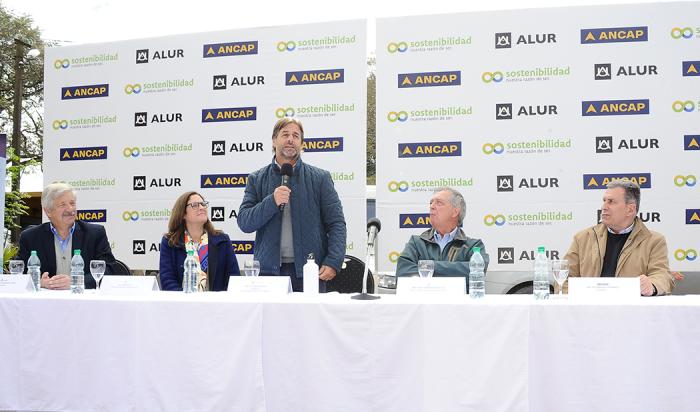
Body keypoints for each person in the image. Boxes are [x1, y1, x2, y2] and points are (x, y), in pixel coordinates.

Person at [237, 117, 346, 292]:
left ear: (301, 143)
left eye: (296, 136)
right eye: (285, 134)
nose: (290, 139)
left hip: (309, 272)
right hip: (268, 273)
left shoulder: (320, 178)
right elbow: (245, 222)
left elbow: (336, 223)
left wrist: (333, 261)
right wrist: (272, 202)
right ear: (274, 141)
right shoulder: (256, 179)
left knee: (309, 320)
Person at [563, 180, 674, 295]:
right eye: (604, 201)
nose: (603, 207)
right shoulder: (583, 238)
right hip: (589, 309)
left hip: (631, 310)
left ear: (630, 209)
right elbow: (564, 277)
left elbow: (662, 276)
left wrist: (652, 285)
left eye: (611, 202)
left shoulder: (654, 241)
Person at [17, 182, 116, 290]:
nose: (70, 209)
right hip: (46, 303)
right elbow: (19, 273)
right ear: (48, 211)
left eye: (72, 203)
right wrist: (37, 281)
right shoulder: (30, 237)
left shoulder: (95, 233)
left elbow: (109, 270)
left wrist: (77, 281)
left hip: (84, 301)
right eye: (62, 205)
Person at [396, 187, 489, 281]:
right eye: (431, 203)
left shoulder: (473, 246)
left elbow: (477, 271)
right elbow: (403, 273)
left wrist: (430, 266)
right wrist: (452, 270)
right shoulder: (416, 243)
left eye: (439, 203)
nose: (432, 206)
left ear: (455, 212)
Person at [159, 191, 240, 291]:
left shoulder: (222, 241)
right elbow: (167, 279)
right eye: (195, 205)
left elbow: (233, 278)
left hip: (216, 304)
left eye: (203, 204)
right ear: (183, 213)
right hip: (181, 304)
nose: (201, 207)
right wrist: (187, 302)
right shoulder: (169, 242)